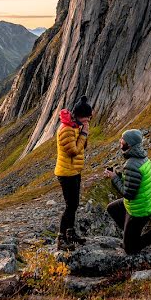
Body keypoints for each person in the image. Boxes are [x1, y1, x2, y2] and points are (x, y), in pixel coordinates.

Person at [103, 129, 151, 255]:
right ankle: (128, 234)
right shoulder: (142, 158)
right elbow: (133, 180)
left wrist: (113, 178)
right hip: (139, 203)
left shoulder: (132, 164)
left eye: (123, 139)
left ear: (129, 144)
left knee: (130, 249)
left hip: (139, 211)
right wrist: (119, 174)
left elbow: (128, 193)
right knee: (112, 208)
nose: (120, 141)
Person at [54, 95, 92, 249]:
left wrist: (83, 132)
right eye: (88, 118)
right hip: (66, 173)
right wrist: (84, 134)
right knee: (70, 206)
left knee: (74, 204)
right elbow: (74, 151)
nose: (89, 121)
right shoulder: (67, 129)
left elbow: (82, 147)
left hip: (74, 171)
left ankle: (70, 233)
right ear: (82, 117)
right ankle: (61, 239)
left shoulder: (74, 127)